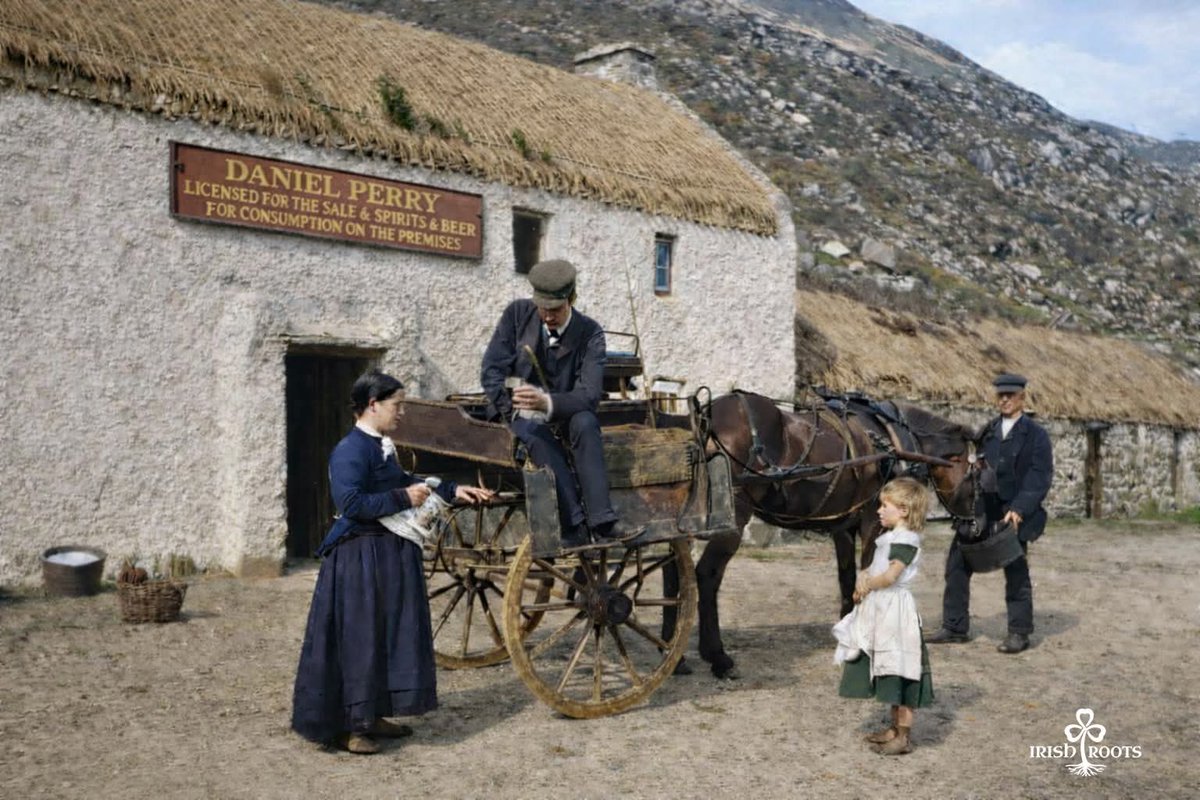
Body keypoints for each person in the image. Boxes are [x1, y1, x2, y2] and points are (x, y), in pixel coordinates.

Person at [291, 370, 494, 754]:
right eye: (397, 405)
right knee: (360, 639)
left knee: (384, 634)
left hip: (384, 556)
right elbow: (351, 503)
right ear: (373, 405)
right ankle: (351, 728)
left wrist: (454, 489)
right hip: (359, 558)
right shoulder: (350, 450)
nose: (401, 412)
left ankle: (374, 715)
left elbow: (405, 479)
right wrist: (403, 498)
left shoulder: (380, 446)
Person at [480, 258, 633, 546]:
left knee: (586, 423)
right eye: (542, 308)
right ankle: (574, 525)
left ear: (571, 299)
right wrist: (512, 408)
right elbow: (491, 370)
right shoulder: (517, 314)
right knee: (535, 435)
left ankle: (602, 521)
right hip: (516, 411)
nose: (547, 317)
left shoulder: (590, 333)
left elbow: (589, 395)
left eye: (555, 310)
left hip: (563, 412)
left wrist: (547, 403)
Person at [926, 372, 1053, 654]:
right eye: (1001, 395)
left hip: (1012, 513)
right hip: (982, 509)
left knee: (1016, 572)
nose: (1005, 400)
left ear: (1022, 397)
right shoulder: (988, 431)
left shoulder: (1036, 435)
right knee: (957, 563)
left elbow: (1040, 477)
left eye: (1011, 395)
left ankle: (1019, 632)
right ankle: (955, 627)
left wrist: (1020, 508)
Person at [832, 477, 934, 756]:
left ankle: (903, 736)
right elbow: (876, 568)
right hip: (882, 608)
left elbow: (890, 576)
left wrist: (868, 585)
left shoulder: (906, 540)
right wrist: (862, 579)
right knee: (888, 667)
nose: (878, 511)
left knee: (902, 668)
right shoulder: (889, 537)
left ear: (903, 510)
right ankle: (893, 728)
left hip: (896, 611)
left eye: (884, 506)